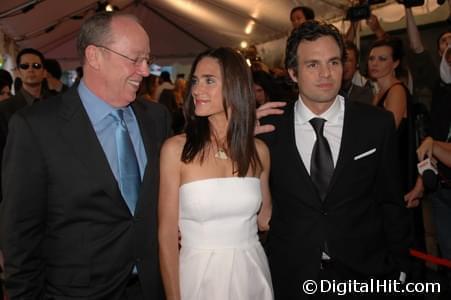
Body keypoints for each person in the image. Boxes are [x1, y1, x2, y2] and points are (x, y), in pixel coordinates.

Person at [0, 12, 171, 299]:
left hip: (151, 289)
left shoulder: (157, 119)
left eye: (147, 60)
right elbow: (20, 235)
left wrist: (235, 131)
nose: (145, 71)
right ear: (94, 56)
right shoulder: (36, 126)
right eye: (135, 59)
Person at [258, 20, 411, 299]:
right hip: (292, 278)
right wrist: (242, 140)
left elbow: (391, 202)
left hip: (366, 276)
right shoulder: (268, 130)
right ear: (293, 72)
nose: (326, 74)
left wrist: (400, 272)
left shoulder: (376, 124)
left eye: (334, 62)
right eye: (313, 65)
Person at [158, 47, 273, 300]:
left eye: (209, 81)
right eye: (196, 81)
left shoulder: (259, 152)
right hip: (197, 277)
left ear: (235, 86)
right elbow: (166, 235)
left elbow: (265, 219)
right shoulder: (176, 150)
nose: (197, 90)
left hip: (252, 274)